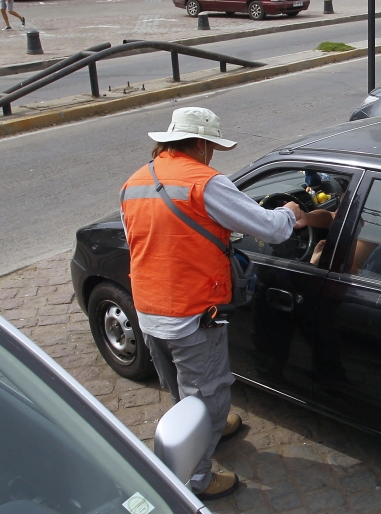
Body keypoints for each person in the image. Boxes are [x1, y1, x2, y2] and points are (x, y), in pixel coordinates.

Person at [119, 107, 303, 501]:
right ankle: (195, 480)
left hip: (148, 309)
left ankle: (205, 431)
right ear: (201, 144)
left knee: (181, 391)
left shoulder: (135, 181)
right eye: (213, 147)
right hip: (191, 315)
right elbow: (270, 229)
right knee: (209, 398)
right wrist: (290, 213)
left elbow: (152, 239)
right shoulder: (205, 182)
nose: (213, 155)